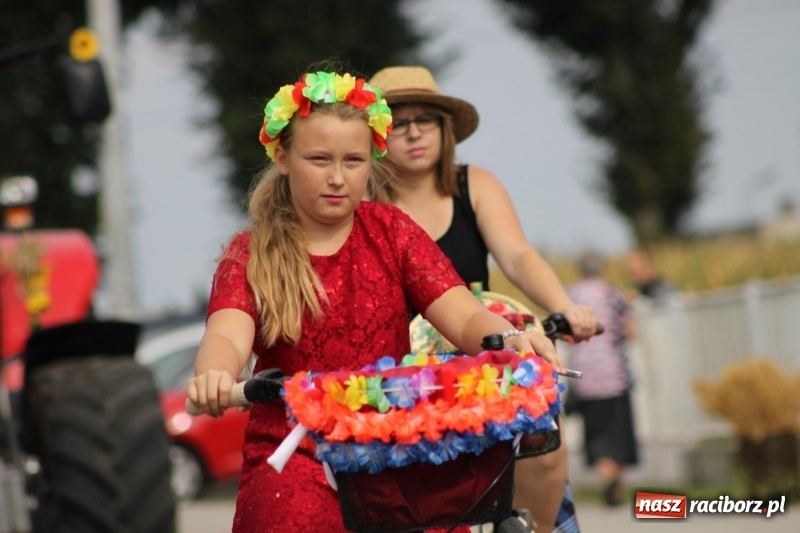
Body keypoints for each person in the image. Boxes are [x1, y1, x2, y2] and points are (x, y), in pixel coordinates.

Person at [186, 66, 566, 533]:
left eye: (353, 161)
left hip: (392, 448)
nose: (338, 178)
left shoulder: (392, 231)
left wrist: (506, 337)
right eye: (319, 159)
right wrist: (214, 375)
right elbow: (226, 333)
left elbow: (462, 313)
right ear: (283, 157)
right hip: (294, 449)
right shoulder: (249, 252)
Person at [368, 65, 598, 533]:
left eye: (426, 120)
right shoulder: (366, 206)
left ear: (444, 128)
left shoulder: (475, 184)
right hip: (405, 371)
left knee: (541, 430)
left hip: (485, 350)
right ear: (376, 136)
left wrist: (563, 307)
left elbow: (517, 254)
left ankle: (542, 526)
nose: (414, 133)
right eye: (398, 122)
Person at [565, 251, 639, 507]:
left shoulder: (569, 296)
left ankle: (606, 476)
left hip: (585, 377)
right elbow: (630, 331)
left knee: (597, 434)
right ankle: (615, 480)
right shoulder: (613, 294)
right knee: (619, 433)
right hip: (614, 375)